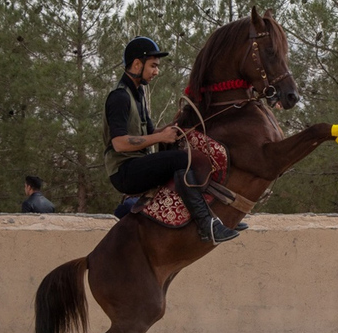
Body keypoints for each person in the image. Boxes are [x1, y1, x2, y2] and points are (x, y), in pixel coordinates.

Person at [103, 36, 240, 244]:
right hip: (124, 172)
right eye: (153, 66)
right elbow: (119, 143)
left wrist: (174, 128)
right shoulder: (119, 97)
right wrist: (159, 136)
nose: (157, 71)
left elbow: (150, 131)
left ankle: (213, 216)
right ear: (137, 64)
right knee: (181, 160)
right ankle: (206, 224)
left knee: (177, 151)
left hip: (136, 164)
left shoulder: (138, 93)